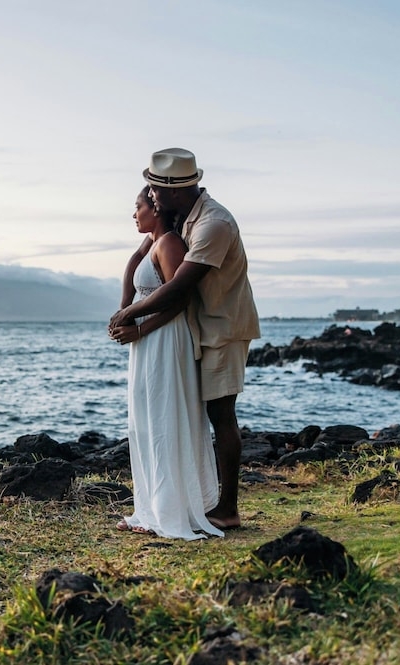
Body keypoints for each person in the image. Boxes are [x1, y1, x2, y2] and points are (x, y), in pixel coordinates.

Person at [110, 148, 261, 530]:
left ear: (174, 193)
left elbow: (181, 285)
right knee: (186, 414)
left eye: (156, 192)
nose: (151, 196)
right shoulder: (183, 217)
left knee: (220, 415)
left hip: (222, 328)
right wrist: (128, 305)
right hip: (197, 327)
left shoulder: (214, 224)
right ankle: (183, 499)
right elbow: (140, 257)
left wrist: (131, 315)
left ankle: (226, 508)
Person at [113, 185, 223, 540]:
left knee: (163, 418)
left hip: (163, 338)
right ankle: (150, 507)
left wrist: (140, 329)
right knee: (144, 420)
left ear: (155, 209)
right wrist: (125, 312)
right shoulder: (154, 244)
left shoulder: (171, 243)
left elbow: (179, 300)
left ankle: (171, 511)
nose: (134, 214)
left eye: (138, 206)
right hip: (147, 340)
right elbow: (133, 267)